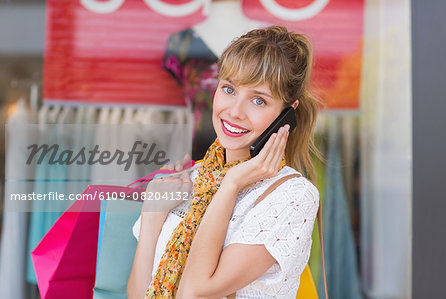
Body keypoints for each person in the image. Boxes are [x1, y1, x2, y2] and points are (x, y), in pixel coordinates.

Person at [128, 25, 321, 299]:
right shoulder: (191, 178)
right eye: (229, 89)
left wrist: (231, 184)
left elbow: (194, 292)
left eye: (258, 100)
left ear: (286, 115)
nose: (234, 112)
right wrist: (153, 214)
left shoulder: (292, 196)